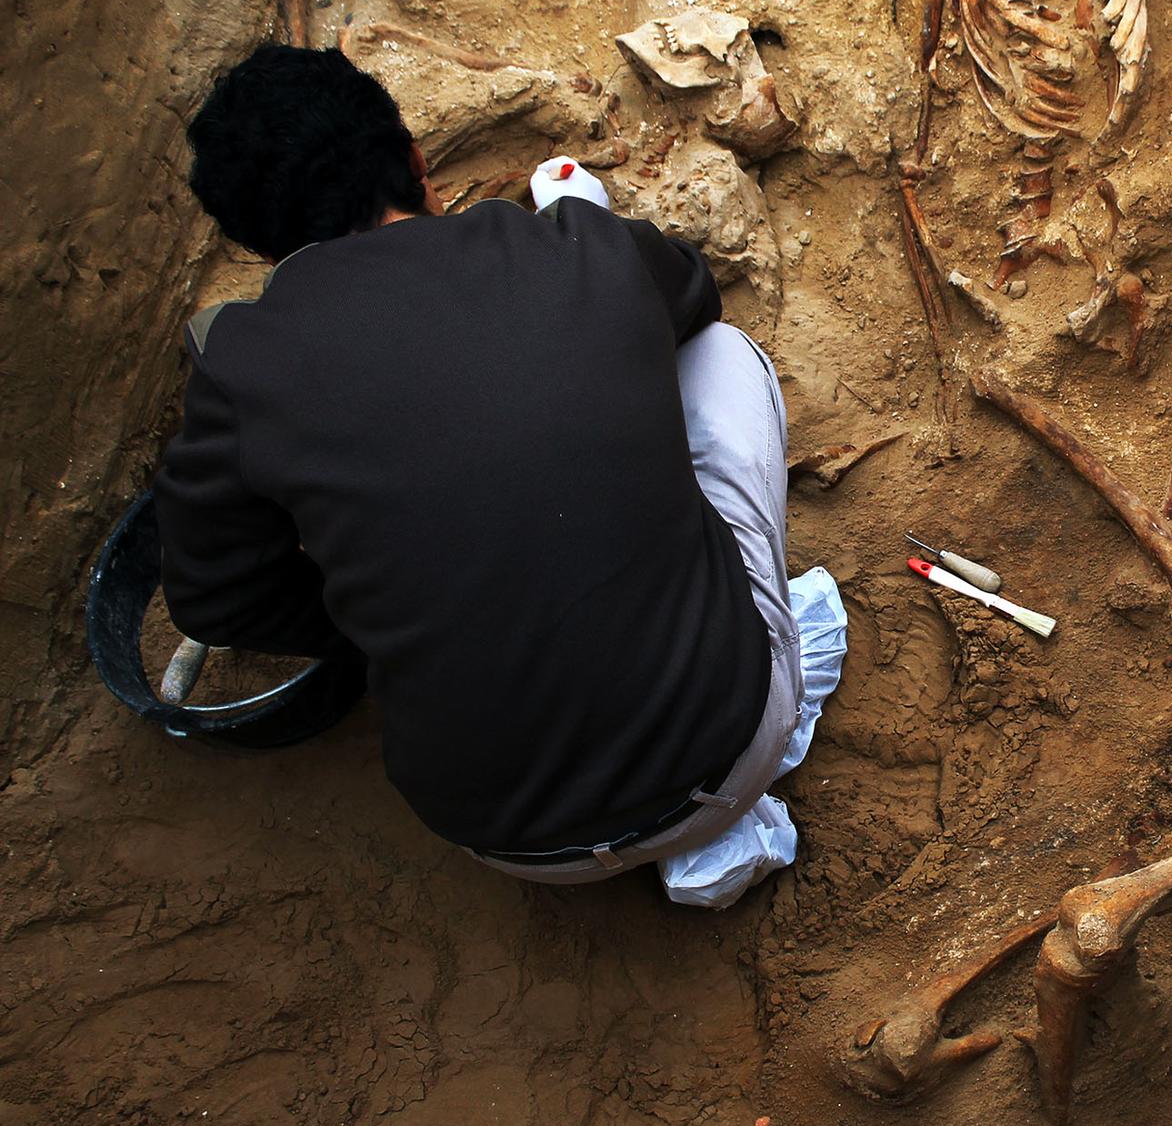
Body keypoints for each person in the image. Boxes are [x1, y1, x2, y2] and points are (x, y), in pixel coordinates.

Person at [154, 44, 841, 905]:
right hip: (731, 751)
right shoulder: (565, 245)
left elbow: (214, 600)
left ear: (254, 240)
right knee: (721, 356)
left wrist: (388, 607)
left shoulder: (239, 366)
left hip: (503, 840)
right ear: (413, 161)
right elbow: (692, 294)